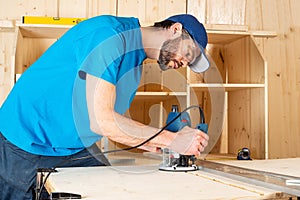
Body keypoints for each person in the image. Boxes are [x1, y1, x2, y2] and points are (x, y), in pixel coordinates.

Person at [0, 14, 210, 199]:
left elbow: (113, 124)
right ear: (175, 30)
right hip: (25, 143)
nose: (185, 63)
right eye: (189, 54)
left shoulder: (135, 64)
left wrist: (161, 144)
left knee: (113, 189)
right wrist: (174, 140)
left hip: (73, 148)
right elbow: (103, 122)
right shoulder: (109, 36)